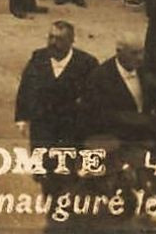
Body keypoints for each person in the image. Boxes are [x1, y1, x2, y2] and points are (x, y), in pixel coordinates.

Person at [14, 20, 98, 151]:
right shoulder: (38, 57)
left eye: (59, 39)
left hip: (71, 130)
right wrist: (22, 118)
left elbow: (94, 98)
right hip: (42, 127)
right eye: (51, 37)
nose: (53, 43)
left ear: (71, 41)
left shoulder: (87, 63)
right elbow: (26, 87)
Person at [77, 33, 148, 142]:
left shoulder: (146, 70)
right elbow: (95, 116)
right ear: (119, 52)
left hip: (145, 136)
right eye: (134, 53)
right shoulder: (99, 77)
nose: (140, 58)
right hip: (115, 139)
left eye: (142, 52)